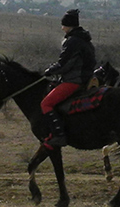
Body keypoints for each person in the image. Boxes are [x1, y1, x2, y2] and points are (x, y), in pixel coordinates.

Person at [39, 9, 97, 149]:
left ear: (69, 25)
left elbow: (64, 63)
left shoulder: (72, 41)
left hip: (74, 80)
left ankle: (59, 135)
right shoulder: (85, 40)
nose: (62, 28)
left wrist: (50, 71)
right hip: (87, 78)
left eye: (63, 25)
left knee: (46, 104)